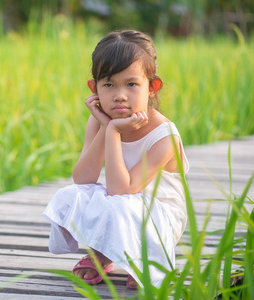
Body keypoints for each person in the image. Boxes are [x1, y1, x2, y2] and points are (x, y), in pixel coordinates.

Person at [43, 30, 189, 289]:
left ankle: (146, 260)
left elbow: (122, 190)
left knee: (122, 203)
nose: (119, 95)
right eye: (109, 85)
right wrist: (105, 127)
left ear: (152, 87)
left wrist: (113, 131)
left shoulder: (164, 135)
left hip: (158, 217)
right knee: (70, 195)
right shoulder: (98, 120)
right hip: (123, 201)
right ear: (94, 88)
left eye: (131, 84)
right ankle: (103, 252)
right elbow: (83, 179)